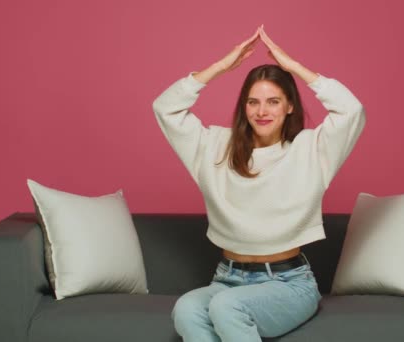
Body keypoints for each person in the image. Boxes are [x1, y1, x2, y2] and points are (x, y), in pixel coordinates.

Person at [153, 25, 366, 342]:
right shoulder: (214, 147)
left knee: (226, 308)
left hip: (288, 281)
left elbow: (352, 110)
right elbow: (165, 108)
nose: (262, 111)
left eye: (273, 101)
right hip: (227, 278)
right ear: (244, 107)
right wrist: (221, 67)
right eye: (253, 102)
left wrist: (293, 67)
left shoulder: (311, 149)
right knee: (186, 310)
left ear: (289, 106)